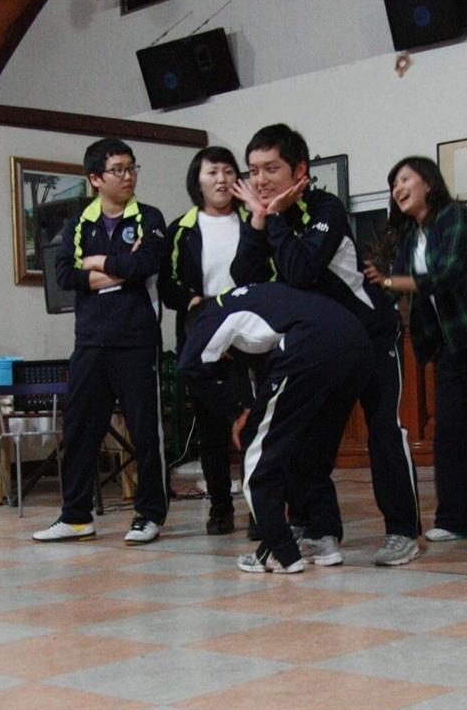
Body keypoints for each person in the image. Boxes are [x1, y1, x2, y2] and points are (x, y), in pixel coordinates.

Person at [230, 123, 421, 568]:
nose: (260, 180)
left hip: (373, 336)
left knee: (384, 431)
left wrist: (274, 218)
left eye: (271, 169)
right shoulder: (264, 217)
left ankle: (402, 532)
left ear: (299, 170)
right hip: (328, 349)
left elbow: (301, 268)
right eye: (253, 171)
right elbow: (245, 279)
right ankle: (320, 531)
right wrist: (258, 221)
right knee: (306, 436)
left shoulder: (326, 208)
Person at [365, 157, 467, 547]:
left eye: (405, 179)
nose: (398, 188)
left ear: (429, 183)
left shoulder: (453, 216)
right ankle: (456, 519)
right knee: (449, 432)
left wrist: (390, 281)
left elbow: (446, 272)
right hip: (453, 341)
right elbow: (392, 289)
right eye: (393, 184)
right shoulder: (409, 236)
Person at [179, 283, 374, 573]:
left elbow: (189, 365)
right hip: (356, 343)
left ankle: (279, 552)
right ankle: (321, 537)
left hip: (311, 344)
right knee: (309, 444)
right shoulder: (253, 299)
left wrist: (236, 413)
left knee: (255, 450)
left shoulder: (210, 314)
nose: (226, 358)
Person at [31, 137, 167, 545]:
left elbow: (146, 264)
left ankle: (148, 514)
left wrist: (95, 262)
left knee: (145, 432)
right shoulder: (79, 223)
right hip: (90, 342)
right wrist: (120, 269)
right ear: (95, 178)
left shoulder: (149, 217)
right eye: (117, 170)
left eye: (131, 167)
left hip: (135, 340)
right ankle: (76, 516)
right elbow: (64, 275)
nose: (128, 176)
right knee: (79, 431)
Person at [159, 145, 267, 536]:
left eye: (228, 171)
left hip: (249, 332)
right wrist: (195, 305)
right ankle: (220, 507)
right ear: (198, 181)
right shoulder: (181, 229)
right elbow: (168, 284)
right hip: (202, 332)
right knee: (211, 428)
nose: (221, 180)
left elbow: (265, 271)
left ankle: (260, 508)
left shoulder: (253, 220)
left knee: (254, 422)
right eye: (212, 172)